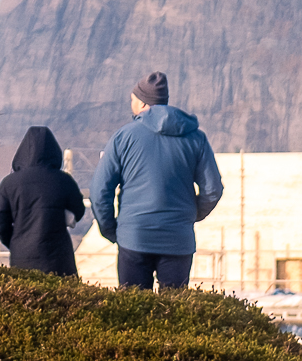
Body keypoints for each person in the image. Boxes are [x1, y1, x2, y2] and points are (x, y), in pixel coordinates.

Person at [88, 71, 224, 290]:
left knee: (133, 313)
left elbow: (99, 190)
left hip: (134, 237)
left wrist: (111, 229)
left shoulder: (124, 136)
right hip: (178, 240)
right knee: (174, 313)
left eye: (132, 100)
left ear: (142, 103)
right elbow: (213, 189)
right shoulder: (196, 137)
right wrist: (190, 215)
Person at [0, 126, 86, 276]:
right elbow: (79, 211)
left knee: (24, 297)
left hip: (22, 257)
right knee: (63, 297)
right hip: (59, 257)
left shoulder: (9, 183)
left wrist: (16, 241)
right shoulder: (63, 180)